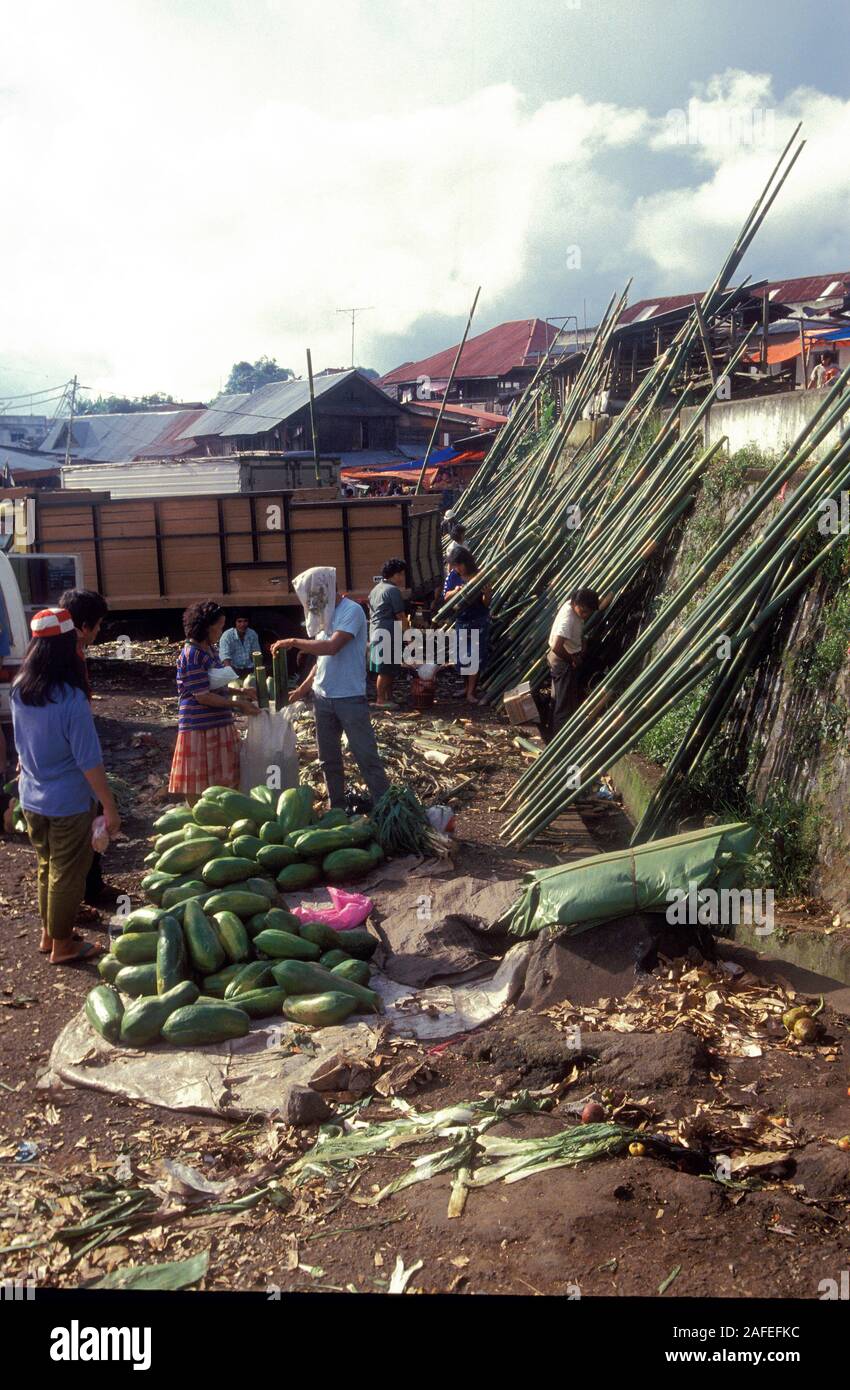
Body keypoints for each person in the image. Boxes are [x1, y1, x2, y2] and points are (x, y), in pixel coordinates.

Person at [10, 608, 121, 964]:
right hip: (68, 802)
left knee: (47, 866)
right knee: (67, 876)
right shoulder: (71, 699)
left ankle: (49, 935)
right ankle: (62, 946)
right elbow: (89, 762)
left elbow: (19, 745)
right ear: (65, 646)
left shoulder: (20, 689)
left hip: (31, 796)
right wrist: (109, 805)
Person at [271, 567, 389, 810]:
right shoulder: (323, 614)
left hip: (349, 698)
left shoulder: (352, 611)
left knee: (366, 757)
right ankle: (337, 808)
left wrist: (293, 642)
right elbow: (321, 661)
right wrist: (302, 690)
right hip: (322, 698)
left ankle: (386, 809)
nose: (311, 601)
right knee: (329, 760)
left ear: (325, 590)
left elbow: (331, 647)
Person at [58, 587, 116, 909]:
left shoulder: (56, 653)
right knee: (84, 828)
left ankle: (89, 889)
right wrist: (108, 801)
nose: (97, 632)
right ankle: (85, 894)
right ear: (83, 628)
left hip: (58, 764)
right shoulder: (69, 662)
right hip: (73, 763)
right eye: (97, 626)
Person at [168, 600, 258, 803]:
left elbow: (213, 686)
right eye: (218, 626)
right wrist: (238, 704)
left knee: (222, 779)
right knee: (198, 782)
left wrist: (241, 691)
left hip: (218, 722)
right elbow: (202, 695)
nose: (221, 630)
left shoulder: (209, 649)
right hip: (199, 726)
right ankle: (197, 820)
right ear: (206, 627)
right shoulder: (192, 654)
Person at [546, 588, 601, 739]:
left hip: (564, 659)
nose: (585, 615)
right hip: (563, 661)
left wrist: (582, 642)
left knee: (558, 699)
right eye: (583, 611)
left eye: (588, 613)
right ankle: (559, 742)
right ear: (576, 603)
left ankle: (551, 736)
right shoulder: (568, 619)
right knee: (563, 706)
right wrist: (572, 659)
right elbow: (556, 646)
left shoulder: (571, 605)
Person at [443, 546, 492, 704]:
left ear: (466, 562)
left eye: (459, 565)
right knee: (462, 657)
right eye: (454, 565)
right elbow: (446, 597)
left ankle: (471, 692)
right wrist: (456, 591)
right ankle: (465, 687)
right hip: (462, 620)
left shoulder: (479, 576)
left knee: (474, 657)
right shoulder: (453, 576)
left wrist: (487, 594)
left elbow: (486, 604)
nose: (457, 568)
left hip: (478, 620)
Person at [368, 558, 409, 711]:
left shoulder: (376, 589)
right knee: (385, 669)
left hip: (377, 631)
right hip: (388, 632)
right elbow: (400, 616)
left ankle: (388, 697)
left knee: (388, 667)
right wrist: (409, 637)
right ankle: (380, 699)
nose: (402, 578)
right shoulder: (392, 591)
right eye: (400, 574)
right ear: (394, 575)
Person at [218, 611, 260, 678]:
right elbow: (225, 657)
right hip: (233, 669)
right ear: (235, 622)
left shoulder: (252, 634)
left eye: (245, 621)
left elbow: (256, 655)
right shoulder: (227, 636)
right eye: (239, 621)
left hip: (249, 669)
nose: (243, 624)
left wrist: (257, 674)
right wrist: (231, 676)